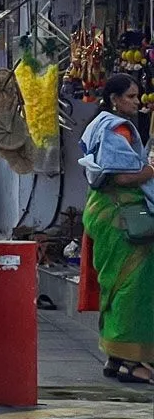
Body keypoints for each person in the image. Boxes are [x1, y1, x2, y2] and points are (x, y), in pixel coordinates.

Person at [79, 74, 154, 382]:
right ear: (114, 99)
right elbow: (121, 176)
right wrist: (151, 169)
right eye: (130, 97)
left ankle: (116, 358)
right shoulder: (116, 128)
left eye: (138, 97)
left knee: (115, 284)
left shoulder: (99, 123)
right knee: (131, 288)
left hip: (104, 211)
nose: (137, 102)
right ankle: (128, 360)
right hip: (121, 216)